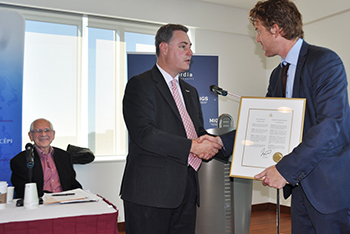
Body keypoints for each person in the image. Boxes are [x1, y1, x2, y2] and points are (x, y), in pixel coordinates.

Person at [205, 0, 350, 233]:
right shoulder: (276, 75)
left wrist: (284, 170)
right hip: (299, 186)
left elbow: (329, 127)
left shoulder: (325, 62)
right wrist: (221, 141)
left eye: (259, 31)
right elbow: (261, 123)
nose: (257, 39)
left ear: (276, 29)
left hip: (327, 189)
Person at [120, 24, 223, 234]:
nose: (190, 52)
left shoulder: (190, 91)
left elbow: (196, 131)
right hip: (150, 193)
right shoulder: (141, 84)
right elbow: (144, 134)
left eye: (190, 47)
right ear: (164, 48)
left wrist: (211, 143)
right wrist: (193, 147)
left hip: (186, 189)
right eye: (183, 46)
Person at [10, 118, 82, 198]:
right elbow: (22, 190)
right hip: (40, 205)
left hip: (64, 203)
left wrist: (83, 195)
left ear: (53, 134)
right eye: (38, 131)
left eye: (47, 130)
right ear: (31, 136)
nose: (43, 134)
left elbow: (72, 183)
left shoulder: (64, 156)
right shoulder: (20, 160)